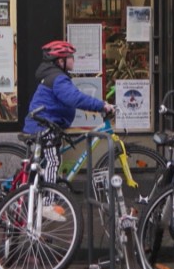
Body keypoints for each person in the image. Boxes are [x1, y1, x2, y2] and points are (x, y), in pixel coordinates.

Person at [23, 40, 114, 183]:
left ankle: (35, 190)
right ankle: (48, 202)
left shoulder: (54, 75)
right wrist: (101, 105)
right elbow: (75, 98)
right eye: (71, 56)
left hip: (44, 123)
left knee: (43, 164)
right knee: (53, 163)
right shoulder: (58, 78)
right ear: (61, 61)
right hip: (44, 126)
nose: (74, 59)